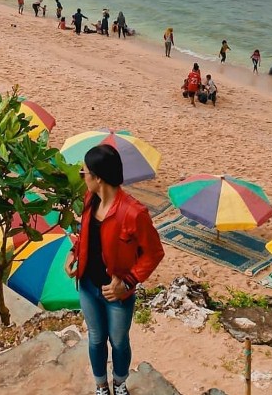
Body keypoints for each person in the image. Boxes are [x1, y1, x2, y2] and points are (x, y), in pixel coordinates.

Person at [64, 145, 164, 395]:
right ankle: (101, 386)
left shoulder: (134, 213)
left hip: (117, 294)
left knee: (119, 342)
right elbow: (88, 234)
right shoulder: (90, 200)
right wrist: (74, 252)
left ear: (97, 177)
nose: (82, 176)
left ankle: (120, 384)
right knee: (96, 339)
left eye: (83, 172)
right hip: (88, 285)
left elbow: (154, 253)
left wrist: (128, 283)